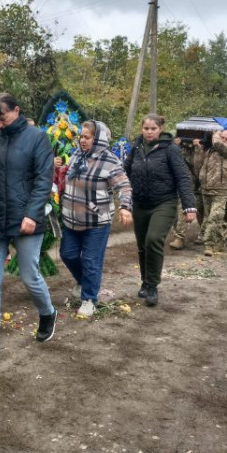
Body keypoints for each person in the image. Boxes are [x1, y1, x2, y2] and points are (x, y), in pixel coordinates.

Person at [0, 93, 58, 359]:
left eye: (1, 118)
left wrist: (32, 214)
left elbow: (43, 179)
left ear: (17, 110)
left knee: (29, 275)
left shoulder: (37, 138)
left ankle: (48, 313)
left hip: (25, 218)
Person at [60, 121, 132, 318]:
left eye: (87, 137)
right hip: (71, 218)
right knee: (68, 254)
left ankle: (89, 299)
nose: (82, 140)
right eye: (81, 136)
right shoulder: (76, 156)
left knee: (91, 260)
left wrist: (125, 207)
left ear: (98, 139)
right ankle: (84, 282)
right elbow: (67, 178)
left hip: (96, 221)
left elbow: (124, 187)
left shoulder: (110, 161)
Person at [124, 114, 197, 306]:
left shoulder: (170, 149)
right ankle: (145, 281)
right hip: (140, 203)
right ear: (142, 129)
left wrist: (190, 206)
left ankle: (152, 286)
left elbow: (182, 177)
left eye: (153, 129)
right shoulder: (137, 146)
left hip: (163, 203)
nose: (149, 132)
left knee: (153, 239)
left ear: (161, 129)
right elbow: (125, 171)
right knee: (142, 245)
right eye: (146, 128)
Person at [193, 129, 227, 256]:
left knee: (215, 216)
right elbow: (198, 167)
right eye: (222, 137)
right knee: (209, 217)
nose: (223, 140)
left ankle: (209, 245)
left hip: (221, 190)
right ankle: (220, 243)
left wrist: (216, 134)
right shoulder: (210, 151)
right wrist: (198, 149)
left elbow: (218, 144)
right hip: (206, 188)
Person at [169, 136, 203, 249]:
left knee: (184, 210)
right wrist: (174, 146)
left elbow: (198, 165)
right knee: (174, 211)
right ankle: (178, 236)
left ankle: (181, 237)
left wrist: (197, 148)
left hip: (190, 184)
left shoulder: (200, 148)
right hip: (174, 183)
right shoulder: (175, 147)